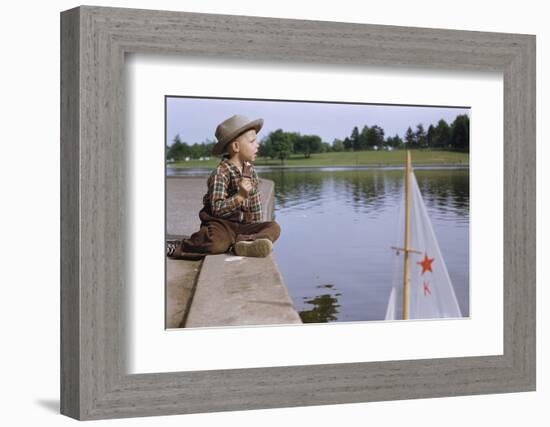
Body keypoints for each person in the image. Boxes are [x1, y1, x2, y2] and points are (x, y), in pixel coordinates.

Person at [167, 114, 281, 259]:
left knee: (274, 227)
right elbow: (217, 209)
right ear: (235, 146)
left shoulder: (251, 172)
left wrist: (256, 228)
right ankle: (180, 246)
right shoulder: (220, 173)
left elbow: (256, 203)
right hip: (222, 224)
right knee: (216, 244)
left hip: (243, 226)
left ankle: (245, 243)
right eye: (252, 142)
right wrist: (239, 197)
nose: (257, 145)